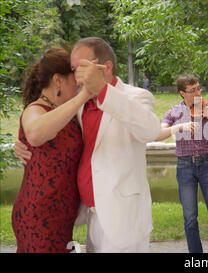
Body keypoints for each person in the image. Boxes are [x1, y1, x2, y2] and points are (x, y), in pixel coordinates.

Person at [14, 37, 161, 253]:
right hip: (87, 215)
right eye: (73, 70)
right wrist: (22, 143)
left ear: (106, 67)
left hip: (123, 216)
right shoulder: (80, 105)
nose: (77, 76)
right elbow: (44, 132)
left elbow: (151, 130)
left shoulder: (137, 97)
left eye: (80, 68)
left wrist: (101, 89)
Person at [11, 47, 91, 252]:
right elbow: (36, 134)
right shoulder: (35, 109)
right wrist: (83, 97)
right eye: (74, 79)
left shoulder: (69, 112)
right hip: (38, 214)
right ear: (58, 80)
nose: (79, 85)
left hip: (62, 216)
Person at [154, 74, 208, 253]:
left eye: (199, 88)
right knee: (190, 217)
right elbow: (158, 135)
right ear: (182, 93)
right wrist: (178, 127)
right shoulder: (174, 112)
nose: (198, 93)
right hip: (185, 167)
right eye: (193, 90)